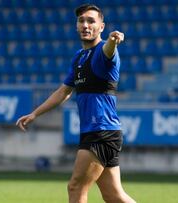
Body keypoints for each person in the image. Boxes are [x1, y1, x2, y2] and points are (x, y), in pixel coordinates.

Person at [16, 4, 136, 203]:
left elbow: (108, 50)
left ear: (101, 26)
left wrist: (114, 41)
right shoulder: (79, 57)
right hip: (100, 131)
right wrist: (35, 114)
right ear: (76, 25)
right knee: (113, 195)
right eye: (81, 21)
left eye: (91, 21)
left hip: (101, 132)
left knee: (76, 187)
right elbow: (64, 91)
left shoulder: (103, 52)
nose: (85, 25)